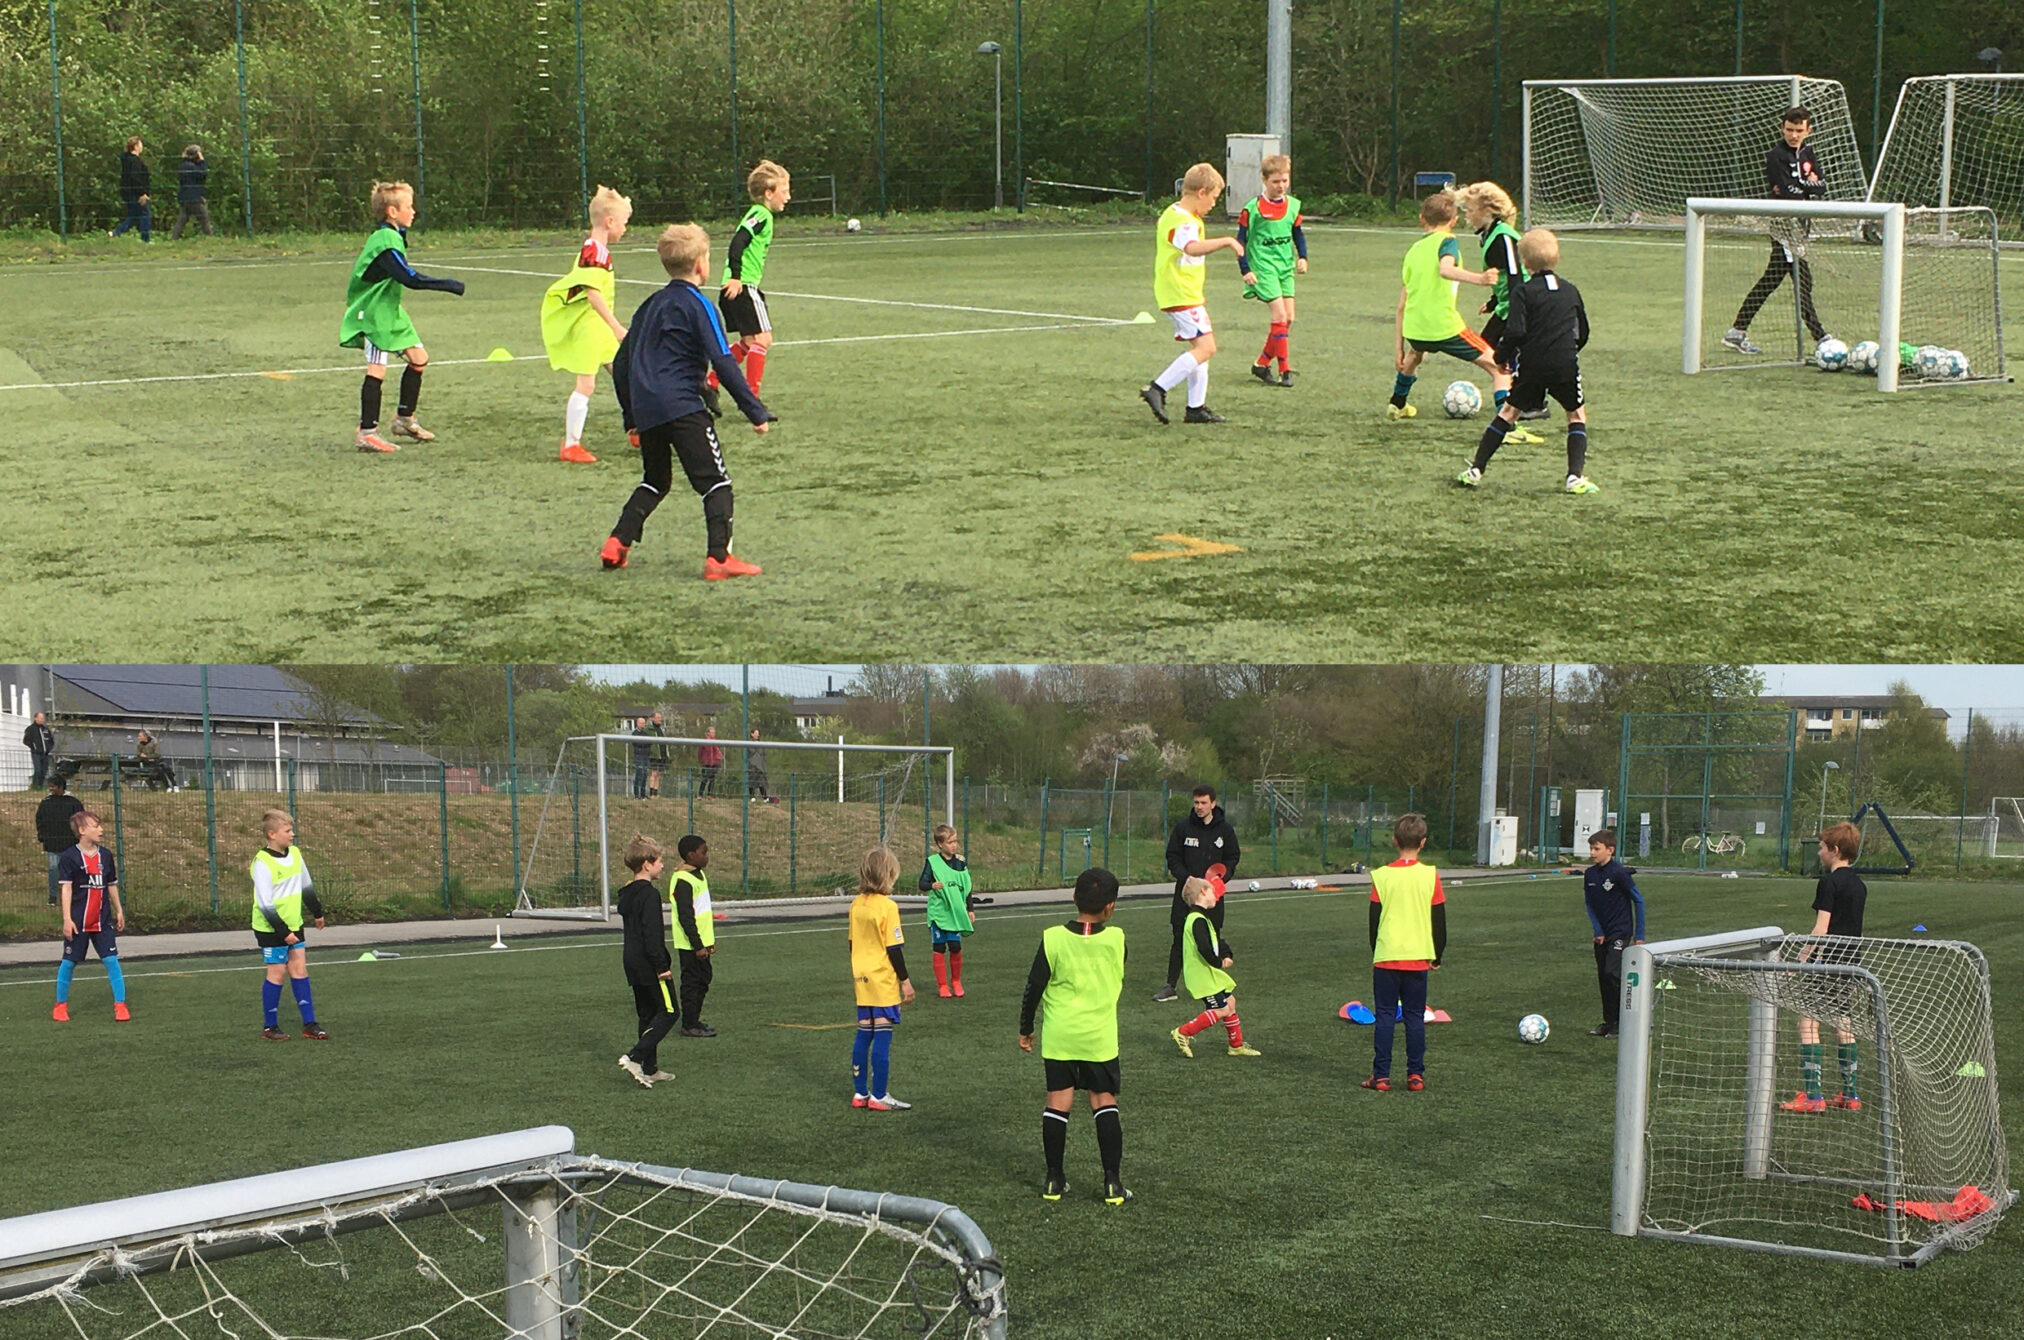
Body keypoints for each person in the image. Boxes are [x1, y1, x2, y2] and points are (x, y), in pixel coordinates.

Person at [599, 224, 775, 578]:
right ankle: (719, 559)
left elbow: (622, 362)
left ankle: (617, 542)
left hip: (648, 409)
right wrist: (754, 411)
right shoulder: (699, 305)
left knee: (655, 480)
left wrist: (631, 417)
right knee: (716, 482)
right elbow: (723, 361)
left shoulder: (650, 305)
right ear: (700, 265)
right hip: (682, 406)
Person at [1456, 228, 1599, 496]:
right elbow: (1583, 332)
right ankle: (1574, 477)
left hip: (1532, 365)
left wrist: (1501, 357)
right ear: (1557, 257)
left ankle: (1476, 470)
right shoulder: (1571, 290)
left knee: (1508, 413)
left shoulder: (1522, 292)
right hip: (1565, 365)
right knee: (1576, 415)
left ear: (1524, 262)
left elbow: (1515, 332)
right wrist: (1568, 352)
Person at [1019, 866, 1130, 1205]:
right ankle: (1112, 1184)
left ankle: (1054, 1180)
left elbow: (1034, 987)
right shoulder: (1117, 939)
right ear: (1110, 907)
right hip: (1099, 1038)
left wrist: (1026, 1027)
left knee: (1057, 1102)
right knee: (1103, 1101)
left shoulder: (1052, 938)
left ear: (1073, 897)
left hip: (1060, 1036)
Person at [340, 180, 465, 454]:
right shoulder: (384, 241)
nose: (414, 211)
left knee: (419, 358)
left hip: (390, 309)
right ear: (392, 212)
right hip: (373, 312)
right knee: (377, 368)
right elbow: (408, 278)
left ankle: (404, 419)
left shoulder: (393, 235)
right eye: (409, 206)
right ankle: (367, 432)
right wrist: (448, 285)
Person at [1724, 105, 1836, 357]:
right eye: (1789, 130)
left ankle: (1736, 331)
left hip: (1802, 225)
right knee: (1802, 280)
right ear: (1782, 129)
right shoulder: (1776, 156)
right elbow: (1787, 191)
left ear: (1808, 131)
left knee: (1772, 279)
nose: (1794, 135)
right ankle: (1820, 336)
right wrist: (1804, 186)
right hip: (1784, 227)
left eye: (1799, 130)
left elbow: (1821, 186)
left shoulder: (1808, 153)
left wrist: (1802, 185)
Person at [1140, 162, 1244, 425]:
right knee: (1207, 348)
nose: (1213, 204)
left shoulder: (1175, 213)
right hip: (1180, 293)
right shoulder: (1183, 221)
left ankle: (1195, 408)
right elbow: (1191, 248)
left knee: (1201, 348)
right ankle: (1158, 388)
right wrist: (1227, 241)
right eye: (1213, 197)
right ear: (1201, 192)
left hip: (1185, 293)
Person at [1386, 190, 1503, 421]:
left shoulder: (1413, 252)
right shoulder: (1448, 241)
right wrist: (1480, 279)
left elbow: (1401, 305)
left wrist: (1398, 348)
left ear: (1421, 219)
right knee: (1498, 367)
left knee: (1415, 355)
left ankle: (1397, 404)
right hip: (1444, 327)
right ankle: (1507, 425)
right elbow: (1446, 269)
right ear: (1454, 221)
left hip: (1415, 329)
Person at [541, 185, 633, 464]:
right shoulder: (594, 252)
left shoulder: (597, 249)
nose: (625, 229)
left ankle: (637, 429)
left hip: (597, 327)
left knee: (624, 374)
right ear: (610, 222)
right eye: (624, 222)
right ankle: (571, 445)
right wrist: (617, 327)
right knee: (586, 384)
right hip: (590, 327)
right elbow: (593, 294)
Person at [1781, 821, 1868, 1113]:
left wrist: (1800, 961)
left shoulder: (1829, 883)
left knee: (1807, 1023)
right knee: (1843, 1024)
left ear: (1835, 850)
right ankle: (1850, 1094)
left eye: (1821, 848)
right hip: (1850, 963)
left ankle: (1813, 1096)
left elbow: (1821, 929)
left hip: (1826, 963)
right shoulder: (1859, 885)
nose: (1818, 853)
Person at [1362, 813, 1446, 1093]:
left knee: (1385, 1015)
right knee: (1414, 1017)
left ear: (1394, 841)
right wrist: (1437, 955)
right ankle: (1415, 1075)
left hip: (1387, 956)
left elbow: (1374, 920)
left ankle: (1381, 1076)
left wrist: (1377, 950)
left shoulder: (1382, 876)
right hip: (1418, 956)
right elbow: (1439, 920)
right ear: (1423, 843)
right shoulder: (1430, 875)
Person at [1455, 181, 1545, 437]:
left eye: (1470, 209)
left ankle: (1533, 403)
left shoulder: (1503, 236)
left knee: (1504, 350)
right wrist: (1494, 302)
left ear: (1487, 211)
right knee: (1489, 348)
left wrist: (1517, 312)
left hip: (1522, 302)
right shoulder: (1488, 234)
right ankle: (1516, 397)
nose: (1467, 215)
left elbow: (1516, 275)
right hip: (1509, 303)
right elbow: (1503, 275)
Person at [712, 161, 792, 402]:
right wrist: (737, 277)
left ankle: (710, 382)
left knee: (748, 342)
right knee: (762, 340)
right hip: (743, 286)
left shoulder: (757, 214)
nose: (788, 197)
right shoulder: (761, 215)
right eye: (784, 191)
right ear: (768, 193)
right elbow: (738, 242)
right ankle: (751, 399)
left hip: (735, 286)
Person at [1153, 784, 1240, 1002]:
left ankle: (1216, 985)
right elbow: (1172, 856)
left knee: (1212, 937)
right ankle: (1170, 986)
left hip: (1212, 896)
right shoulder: (1183, 828)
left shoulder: (1225, 831)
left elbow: (1232, 858)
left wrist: (1222, 878)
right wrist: (1187, 878)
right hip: (1186, 894)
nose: (1199, 807)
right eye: (1196, 802)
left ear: (1213, 803)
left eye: (1203, 803)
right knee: (1179, 938)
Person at [252, 809, 329, 1041]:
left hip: (294, 924)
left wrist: (317, 912)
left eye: (292, 830)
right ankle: (270, 1027)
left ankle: (310, 1024)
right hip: (271, 928)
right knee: (277, 973)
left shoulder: (295, 853)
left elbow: (306, 885)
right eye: (287, 831)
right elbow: (265, 904)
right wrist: (284, 933)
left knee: (299, 970)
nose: (292, 834)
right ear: (272, 834)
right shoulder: (262, 862)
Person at [849, 846, 915, 1111]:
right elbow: (894, 949)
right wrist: (905, 981)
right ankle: (879, 1095)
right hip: (882, 978)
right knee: (883, 1034)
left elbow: (852, 943)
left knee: (864, 1032)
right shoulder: (888, 906)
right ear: (889, 875)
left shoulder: (856, 904)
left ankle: (860, 1093)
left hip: (861, 976)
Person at [1562, 829, 1645, 1037]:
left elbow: (1639, 900)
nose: (1592, 853)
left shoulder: (1619, 873)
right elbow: (1589, 903)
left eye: (1596, 849)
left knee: (1612, 973)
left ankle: (1623, 1022)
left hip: (1620, 931)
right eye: (1591, 848)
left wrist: (1639, 935)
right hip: (1602, 934)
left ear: (1610, 850)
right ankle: (1609, 1022)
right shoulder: (1590, 874)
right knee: (1603, 977)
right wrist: (1598, 930)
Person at [1235, 154, 1308, 388]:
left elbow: (1297, 234)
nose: (1281, 186)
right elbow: (1240, 241)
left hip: (1285, 267)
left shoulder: (1293, 205)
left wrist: (1303, 257)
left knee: (1289, 319)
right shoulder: (1252, 209)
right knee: (1280, 317)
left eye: (1285, 181)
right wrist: (1245, 269)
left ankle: (1262, 363)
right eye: (1276, 181)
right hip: (1263, 268)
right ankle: (1284, 370)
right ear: (1264, 180)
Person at [1169, 875, 1261, 1058]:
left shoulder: (1202, 918)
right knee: (1221, 1009)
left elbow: (1215, 940)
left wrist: (1226, 954)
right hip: (1202, 975)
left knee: (1230, 1003)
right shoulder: (1197, 919)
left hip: (1208, 973)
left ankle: (1236, 1046)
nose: (1216, 896)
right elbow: (1204, 947)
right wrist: (1218, 962)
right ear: (1203, 892)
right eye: (1212, 891)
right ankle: (1183, 1032)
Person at [53, 809, 128, 1023]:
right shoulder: (69, 857)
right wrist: (67, 919)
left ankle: (120, 1005)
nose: (101, 830)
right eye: (96, 826)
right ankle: (60, 1006)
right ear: (82, 830)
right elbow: (66, 889)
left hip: (102, 921)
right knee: (69, 962)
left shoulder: (106, 855)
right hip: (79, 922)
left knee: (111, 960)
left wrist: (119, 909)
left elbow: (111, 885)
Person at [615, 833, 677, 1087]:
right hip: (649, 963)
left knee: (647, 1014)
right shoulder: (649, 894)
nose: (662, 865)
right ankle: (634, 1057)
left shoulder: (627, 893)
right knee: (670, 1011)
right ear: (647, 864)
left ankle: (650, 1069)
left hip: (631, 961)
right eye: (659, 861)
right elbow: (652, 935)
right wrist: (662, 966)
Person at [669, 834, 718, 1037]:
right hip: (690, 944)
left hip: (702, 942)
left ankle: (695, 1020)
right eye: (703, 853)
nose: (707, 857)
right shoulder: (683, 880)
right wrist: (697, 945)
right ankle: (689, 1024)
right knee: (692, 983)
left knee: (704, 979)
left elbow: (702, 911)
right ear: (690, 855)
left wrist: (708, 942)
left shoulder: (698, 874)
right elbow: (686, 916)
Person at [920, 824, 974, 998]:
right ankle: (942, 985)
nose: (954, 845)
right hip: (938, 913)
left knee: (955, 947)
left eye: (955, 841)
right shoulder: (932, 862)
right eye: (950, 842)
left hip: (955, 913)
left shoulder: (961, 862)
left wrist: (970, 909)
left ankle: (956, 981)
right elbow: (922, 884)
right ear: (940, 844)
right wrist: (932, 885)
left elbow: (967, 887)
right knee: (939, 947)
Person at [36, 775, 84, 907]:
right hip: (52, 843)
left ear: (61, 787)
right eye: (50, 786)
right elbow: (39, 820)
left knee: (72, 870)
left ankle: (74, 895)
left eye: (53, 786)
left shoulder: (73, 803)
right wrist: (42, 835)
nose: (51, 789)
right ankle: (53, 897)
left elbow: (81, 820)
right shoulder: (45, 803)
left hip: (71, 844)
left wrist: (80, 836)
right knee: (53, 868)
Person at [110, 137, 151, 242]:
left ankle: (116, 233)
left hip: (128, 192)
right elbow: (135, 178)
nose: (142, 147)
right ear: (135, 146)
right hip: (136, 193)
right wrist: (142, 193)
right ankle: (145, 239)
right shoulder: (134, 161)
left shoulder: (127, 160)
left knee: (134, 215)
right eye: (140, 144)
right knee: (144, 214)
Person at [171, 144, 213, 240]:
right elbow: (204, 173)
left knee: (182, 220)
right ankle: (210, 238)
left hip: (184, 197)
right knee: (204, 218)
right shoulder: (191, 167)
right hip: (194, 198)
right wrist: (202, 161)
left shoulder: (183, 165)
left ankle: (174, 238)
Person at [24, 710, 54, 789]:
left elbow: (51, 741)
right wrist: (34, 747)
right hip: (36, 754)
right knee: (38, 770)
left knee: (44, 771)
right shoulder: (31, 729)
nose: (42, 720)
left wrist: (48, 748)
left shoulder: (46, 730)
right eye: (40, 718)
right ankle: (35, 786)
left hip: (45, 754)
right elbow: (26, 740)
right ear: (35, 718)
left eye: (43, 718)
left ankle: (40, 786)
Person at [645, 711, 668, 798]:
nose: (660, 719)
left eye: (660, 718)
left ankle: (656, 792)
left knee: (658, 774)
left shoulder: (661, 729)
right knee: (653, 773)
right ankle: (651, 793)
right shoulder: (649, 729)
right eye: (658, 718)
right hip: (654, 755)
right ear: (653, 718)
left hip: (661, 754)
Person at [745, 727, 772, 801]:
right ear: (752, 734)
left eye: (758, 733)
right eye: (756, 733)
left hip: (760, 766)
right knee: (752, 781)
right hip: (752, 766)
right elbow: (749, 754)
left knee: (761, 782)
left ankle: (765, 797)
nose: (757, 735)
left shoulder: (761, 744)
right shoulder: (748, 744)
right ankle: (752, 797)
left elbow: (763, 754)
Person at [630, 716, 652, 799]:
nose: (643, 724)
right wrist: (644, 744)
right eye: (642, 723)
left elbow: (649, 743)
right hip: (639, 756)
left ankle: (643, 794)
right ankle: (636, 794)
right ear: (637, 723)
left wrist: (644, 744)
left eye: (644, 723)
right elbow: (637, 743)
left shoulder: (645, 733)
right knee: (639, 774)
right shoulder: (634, 733)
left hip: (645, 755)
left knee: (645, 775)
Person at [698, 726, 724, 796]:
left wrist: (718, 758)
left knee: (712, 779)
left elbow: (716, 751)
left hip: (714, 762)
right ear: (708, 733)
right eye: (712, 732)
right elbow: (701, 752)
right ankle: (700, 794)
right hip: (707, 763)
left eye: (714, 732)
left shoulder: (715, 741)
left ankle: (710, 795)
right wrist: (702, 761)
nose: (713, 734)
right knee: (705, 779)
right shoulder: (705, 741)